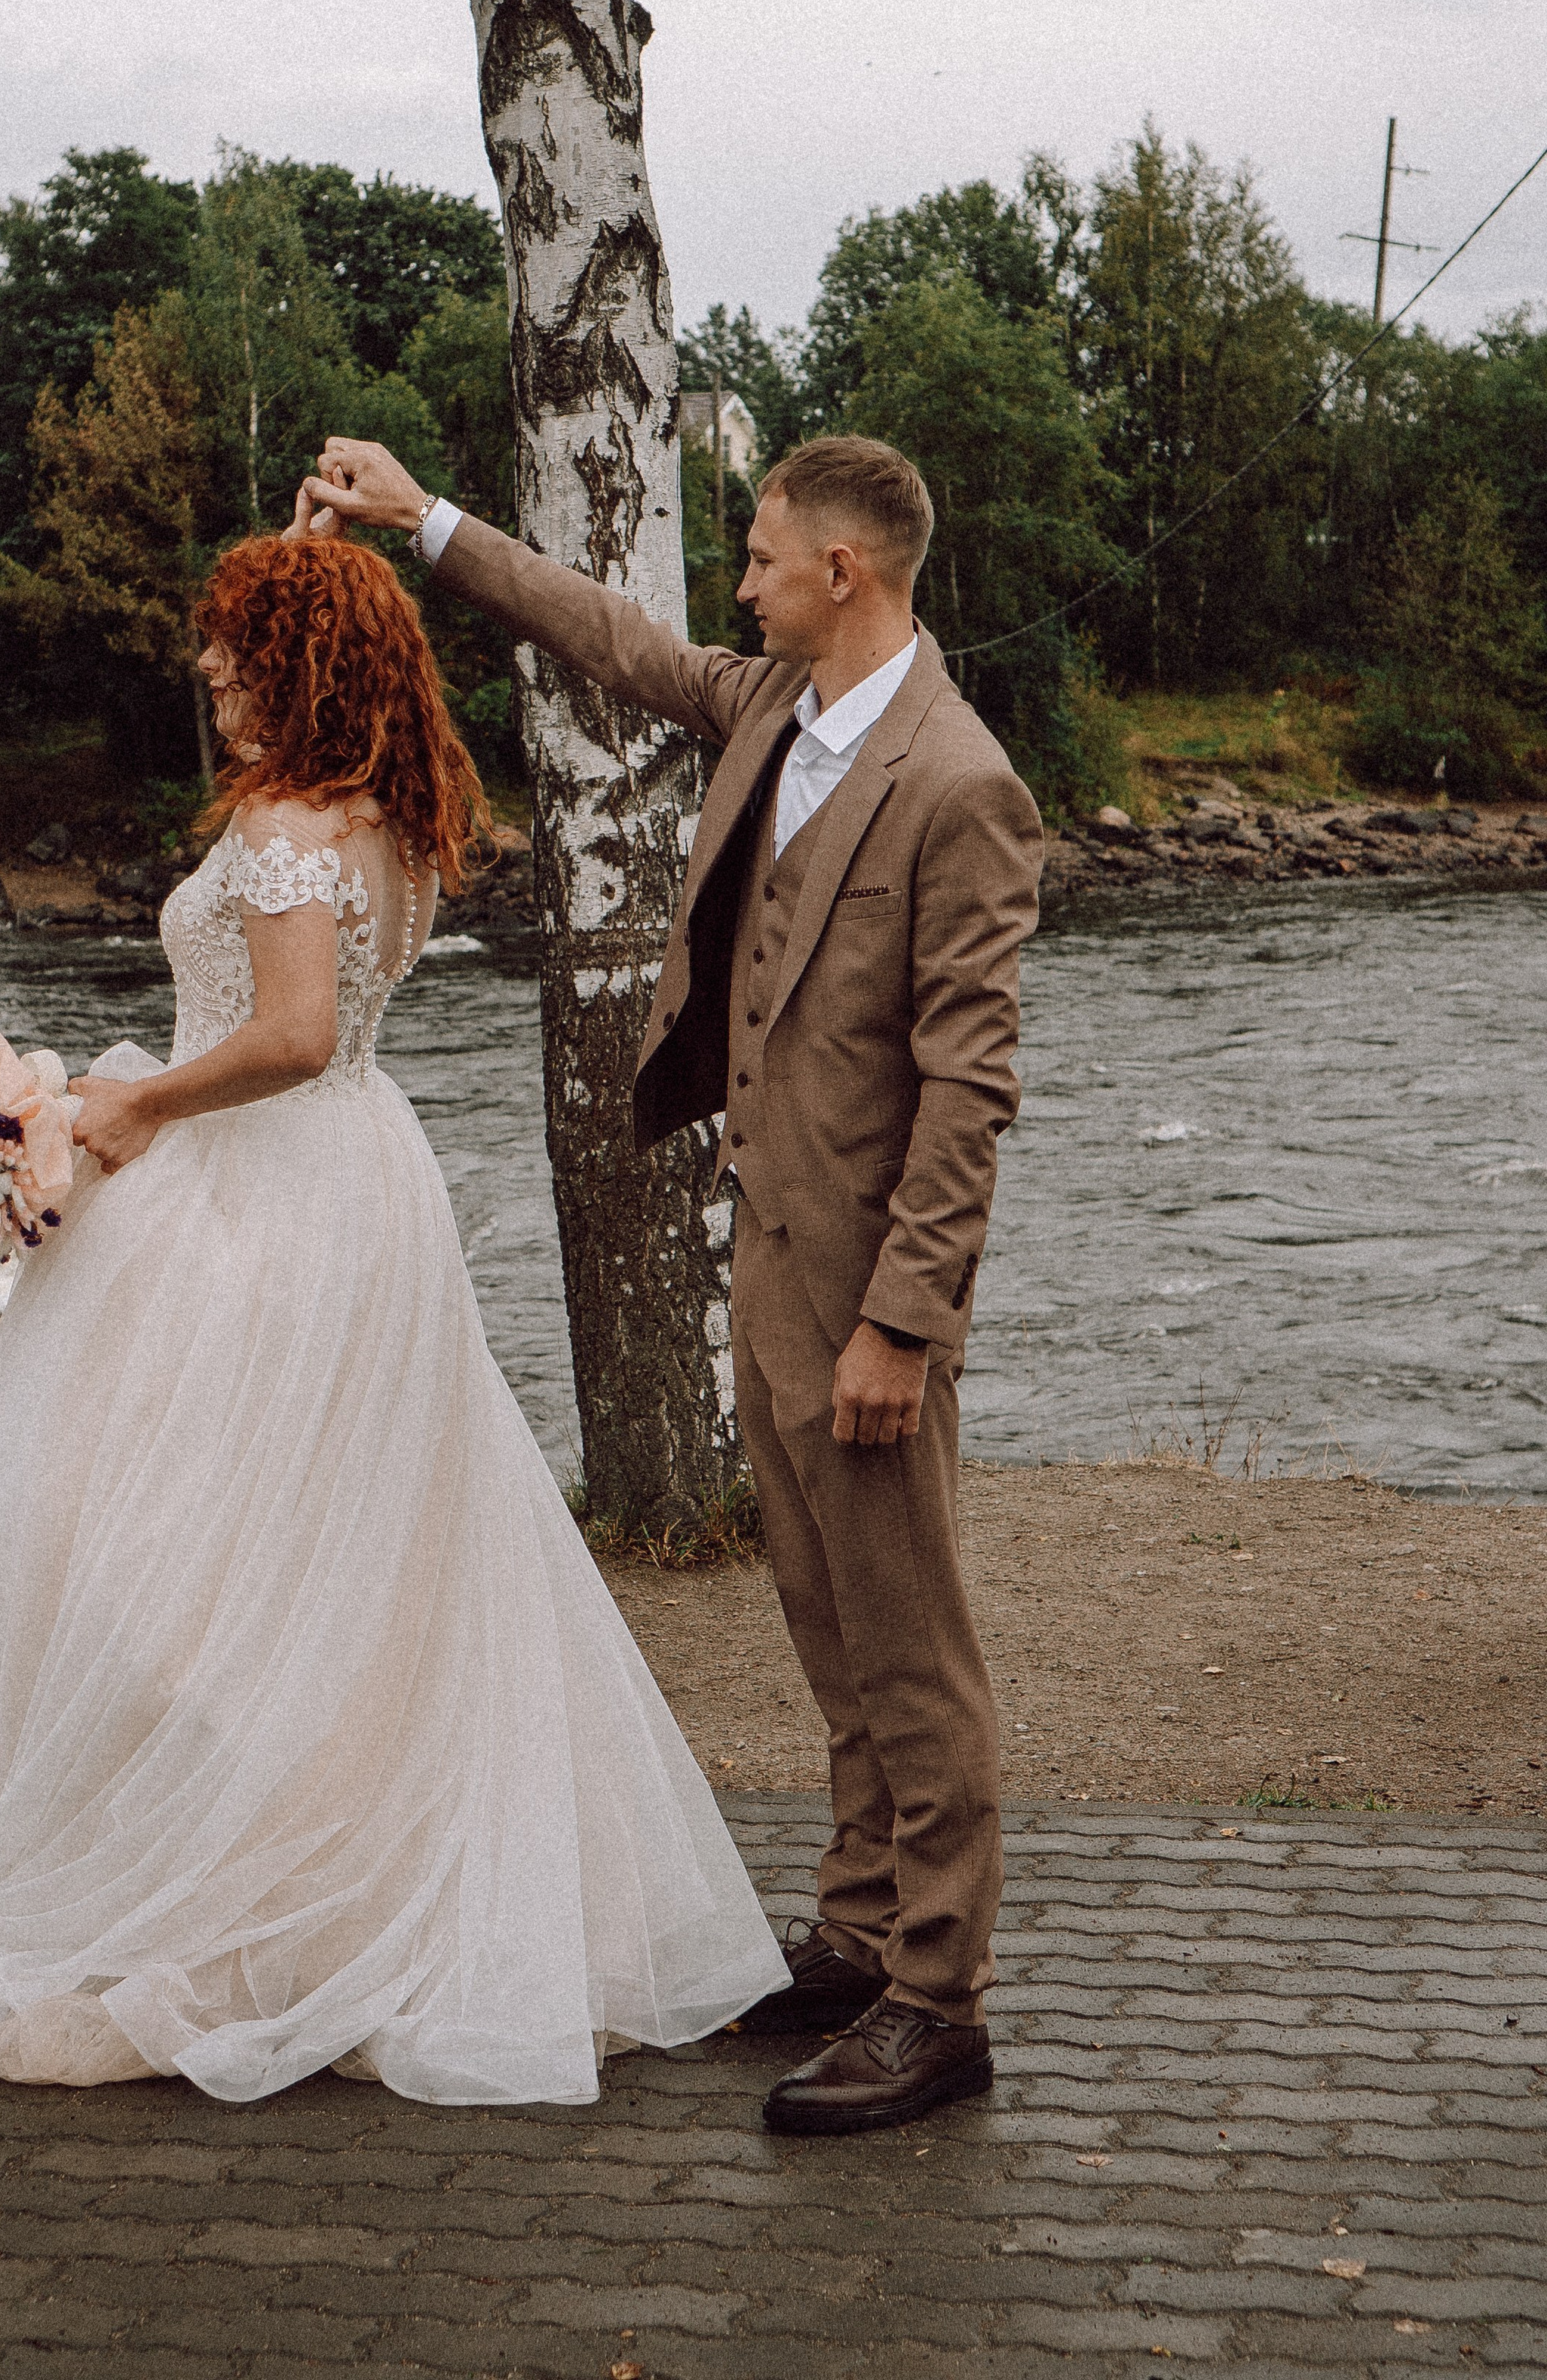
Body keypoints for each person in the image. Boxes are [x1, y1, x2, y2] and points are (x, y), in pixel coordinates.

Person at [0, 529, 786, 2106]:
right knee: (340, 1552)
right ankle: (317, 1873)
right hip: (355, 1178)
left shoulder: (286, 823)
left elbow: (287, 1032)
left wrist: (127, 1102)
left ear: (298, 667)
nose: (205, 668)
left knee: (165, 1548)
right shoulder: (388, 821)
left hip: (261, 1191)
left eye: (232, 645)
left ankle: (239, 1904)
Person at [308, 430, 1044, 2138]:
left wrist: (900, 1322)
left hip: (865, 1294)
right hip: (766, 1259)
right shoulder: (773, 709)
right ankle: (858, 1943)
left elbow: (966, 1089)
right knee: (827, 1619)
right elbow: (612, 641)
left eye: (762, 553)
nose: (737, 579)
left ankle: (939, 2004)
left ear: (843, 573)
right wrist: (428, 524)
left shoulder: (957, 781)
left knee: (914, 1651)